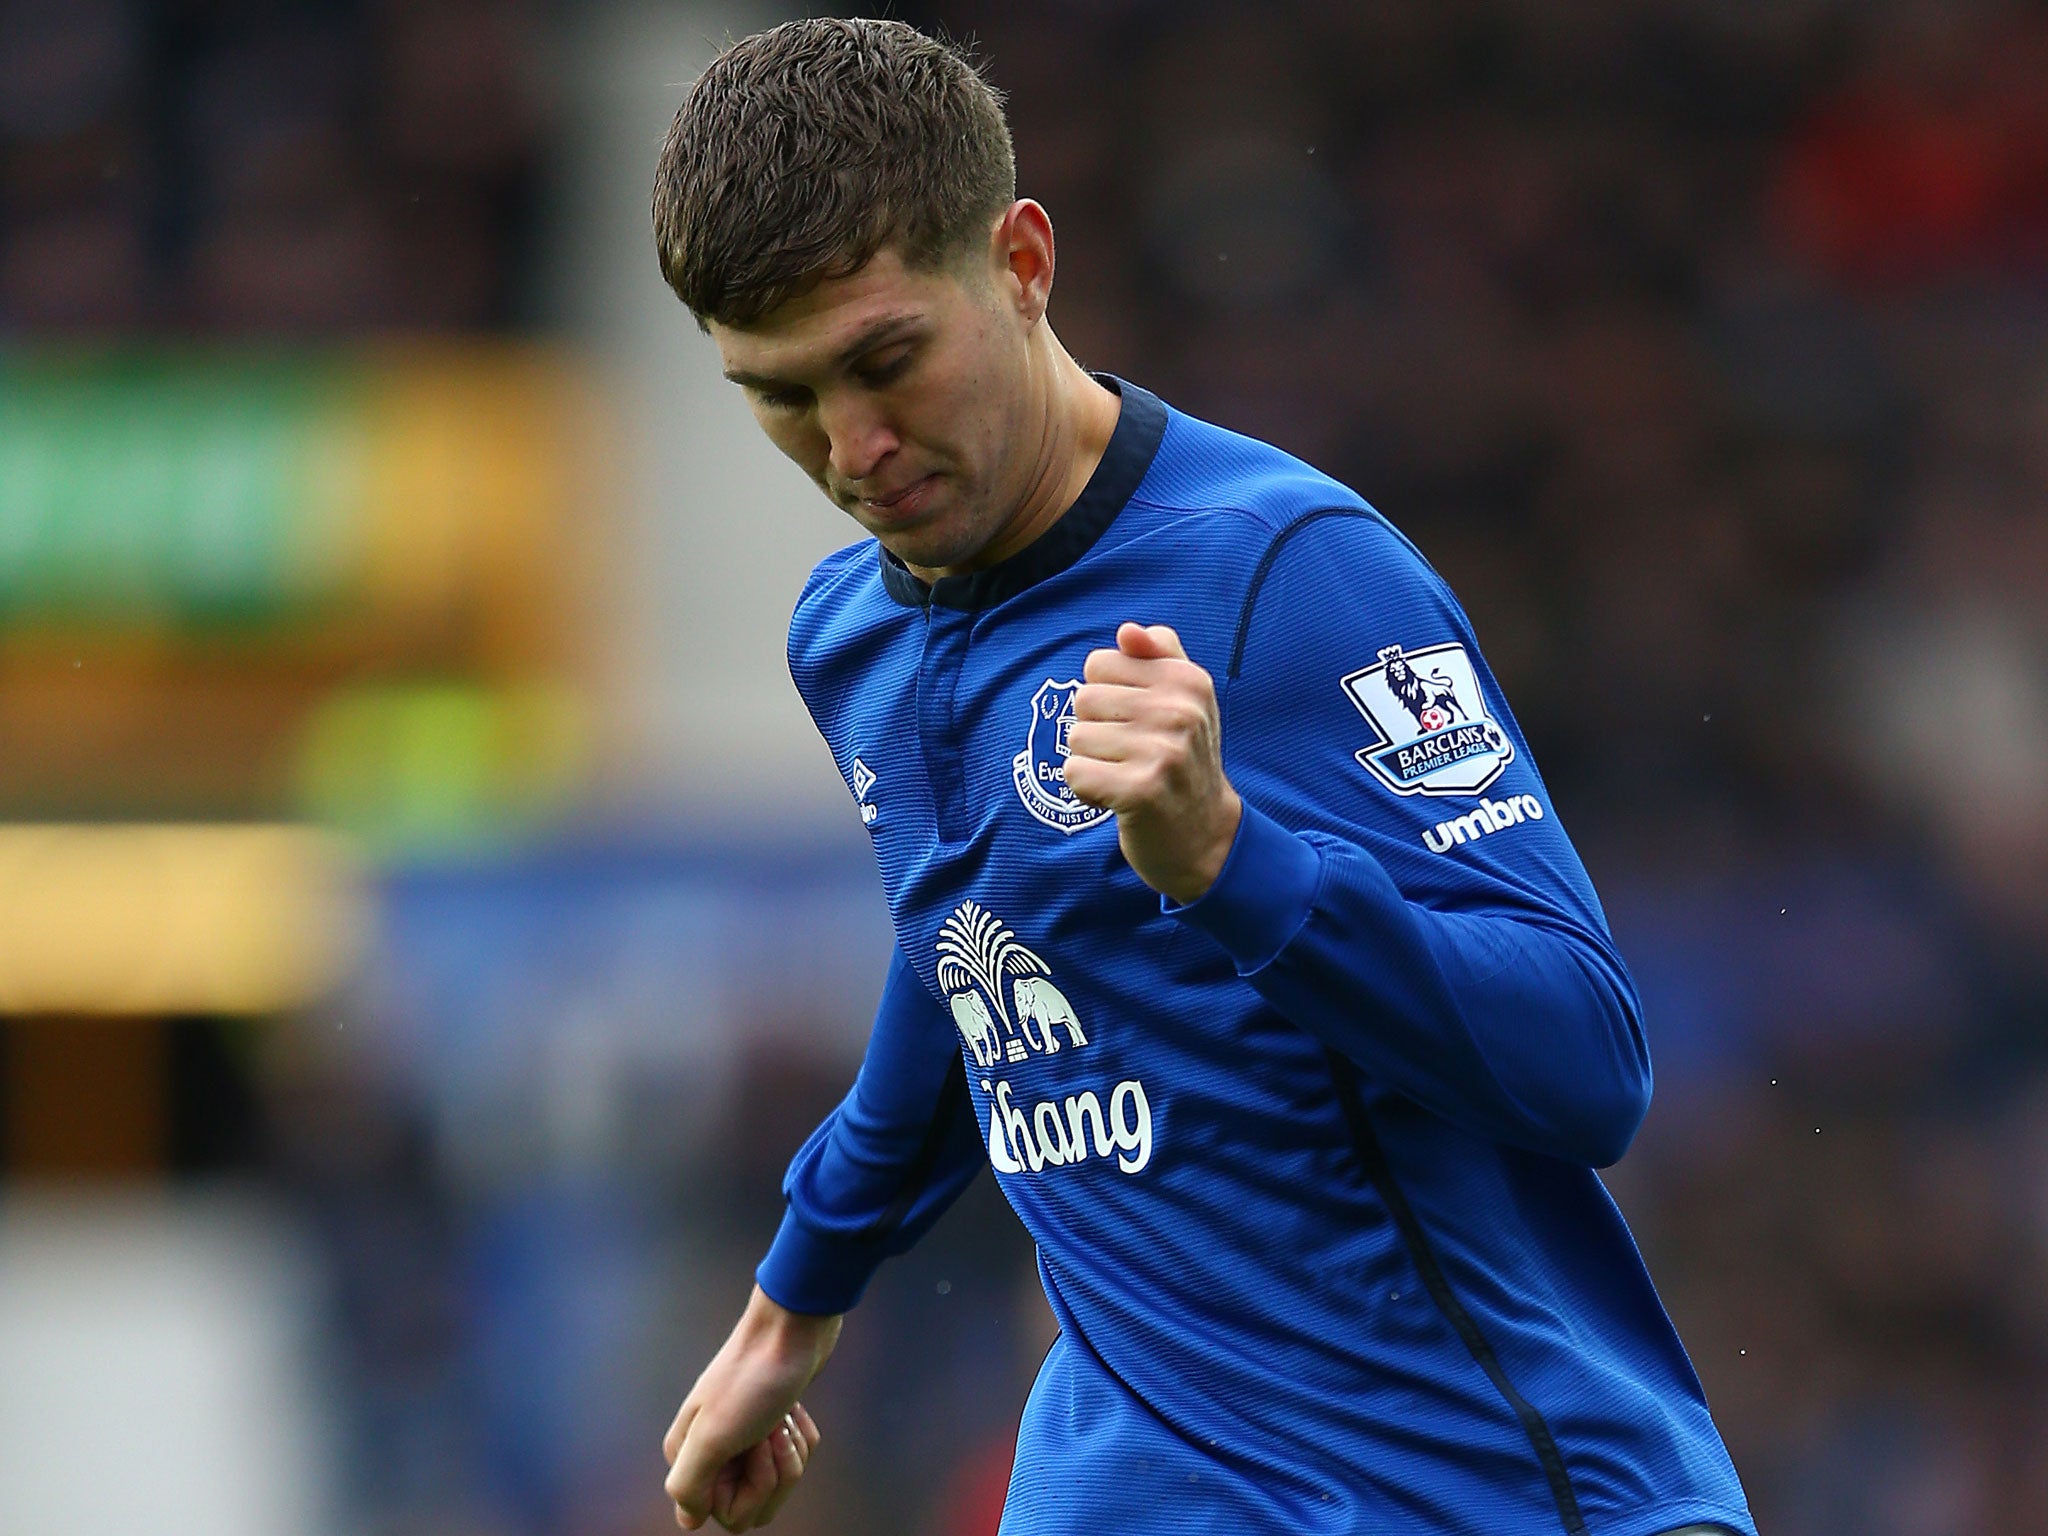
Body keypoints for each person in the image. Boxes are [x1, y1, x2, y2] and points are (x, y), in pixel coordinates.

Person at [648, 18, 1755, 1536]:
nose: (852, 449)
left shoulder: (1294, 576)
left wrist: (1236, 867)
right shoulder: (852, 636)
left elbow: (1587, 1063)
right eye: (778, 395)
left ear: (1023, 262)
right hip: (1129, 1482)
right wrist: (795, 1302)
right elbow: (971, 941)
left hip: (1463, 1488)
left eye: (885, 360)